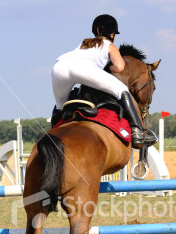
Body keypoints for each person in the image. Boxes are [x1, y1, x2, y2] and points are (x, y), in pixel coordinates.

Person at [51, 14, 155, 147]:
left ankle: (53, 137)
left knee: (60, 107)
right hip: (81, 68)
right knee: (122, 91)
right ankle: (137, 132)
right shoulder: (110, 46)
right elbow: (119, 66)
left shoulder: (84, 43)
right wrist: (107, 68)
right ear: (112, 35)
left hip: (59, 67)